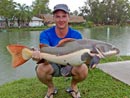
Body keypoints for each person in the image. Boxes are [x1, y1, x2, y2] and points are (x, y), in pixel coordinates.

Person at [32, 4, 89, 98]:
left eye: (64, 16)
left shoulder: (76, 35)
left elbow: (79, 58)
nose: (61, 20)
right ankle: (51, 88)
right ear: (53, 18)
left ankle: (73, 86)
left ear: (68, 17)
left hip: (70, 64)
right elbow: (45, 56)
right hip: (52, 63)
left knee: (83, 69)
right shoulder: (45, 34)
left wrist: (89, 59)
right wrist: (38, 57)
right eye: (58, 16)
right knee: (41, 69)